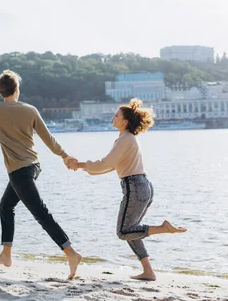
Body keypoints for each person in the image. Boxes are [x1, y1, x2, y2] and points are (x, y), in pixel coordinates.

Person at [0, 70, 82, 279]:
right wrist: (64, 156)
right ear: (17, 89)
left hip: (19, 172)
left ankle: (71, 253)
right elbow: (49, 139)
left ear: (0, 92)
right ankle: (6, 255)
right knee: (5, 206)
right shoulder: (30, 110)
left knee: (41, 213)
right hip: (33, 167)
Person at [66, 98, 186, 281]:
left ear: (125, 121)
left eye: (116, 115)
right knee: (132, 230)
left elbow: (105, 163)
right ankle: (148, 271)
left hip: (135, 187)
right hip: (143, 186)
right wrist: (84, 167)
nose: (113, 117)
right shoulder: (127, 139)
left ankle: (163, 228)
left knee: (123, 232)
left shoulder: (125, 140)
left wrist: (80, 164)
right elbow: (110, 166)